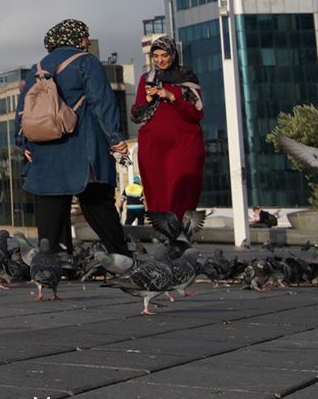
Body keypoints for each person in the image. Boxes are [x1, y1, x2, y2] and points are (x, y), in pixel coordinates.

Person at [15, 20, 131, 258]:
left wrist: (23, 142)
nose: (88, 41)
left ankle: (55, 261)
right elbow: (102, 102)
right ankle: (121, 257)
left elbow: (22, 110)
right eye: (85, 37)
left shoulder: (37, 67)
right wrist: (115, 137)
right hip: (81, 144)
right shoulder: (86, 62)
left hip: (43, 148)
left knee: (51, 205)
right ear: (78, 38)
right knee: (97, 202)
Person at [131, 34, 204, 239]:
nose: (160, 60)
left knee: (180, 191)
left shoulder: (187, 78)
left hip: (184, 145)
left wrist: (172, 97)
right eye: (156, 56)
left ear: (173, 54)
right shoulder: (147, 79)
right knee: (158, 194)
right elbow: (136, 115)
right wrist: (147, 98)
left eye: (164, 55)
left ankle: (181, 238)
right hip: (153, 148)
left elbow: (197, 113)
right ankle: (164, 239)